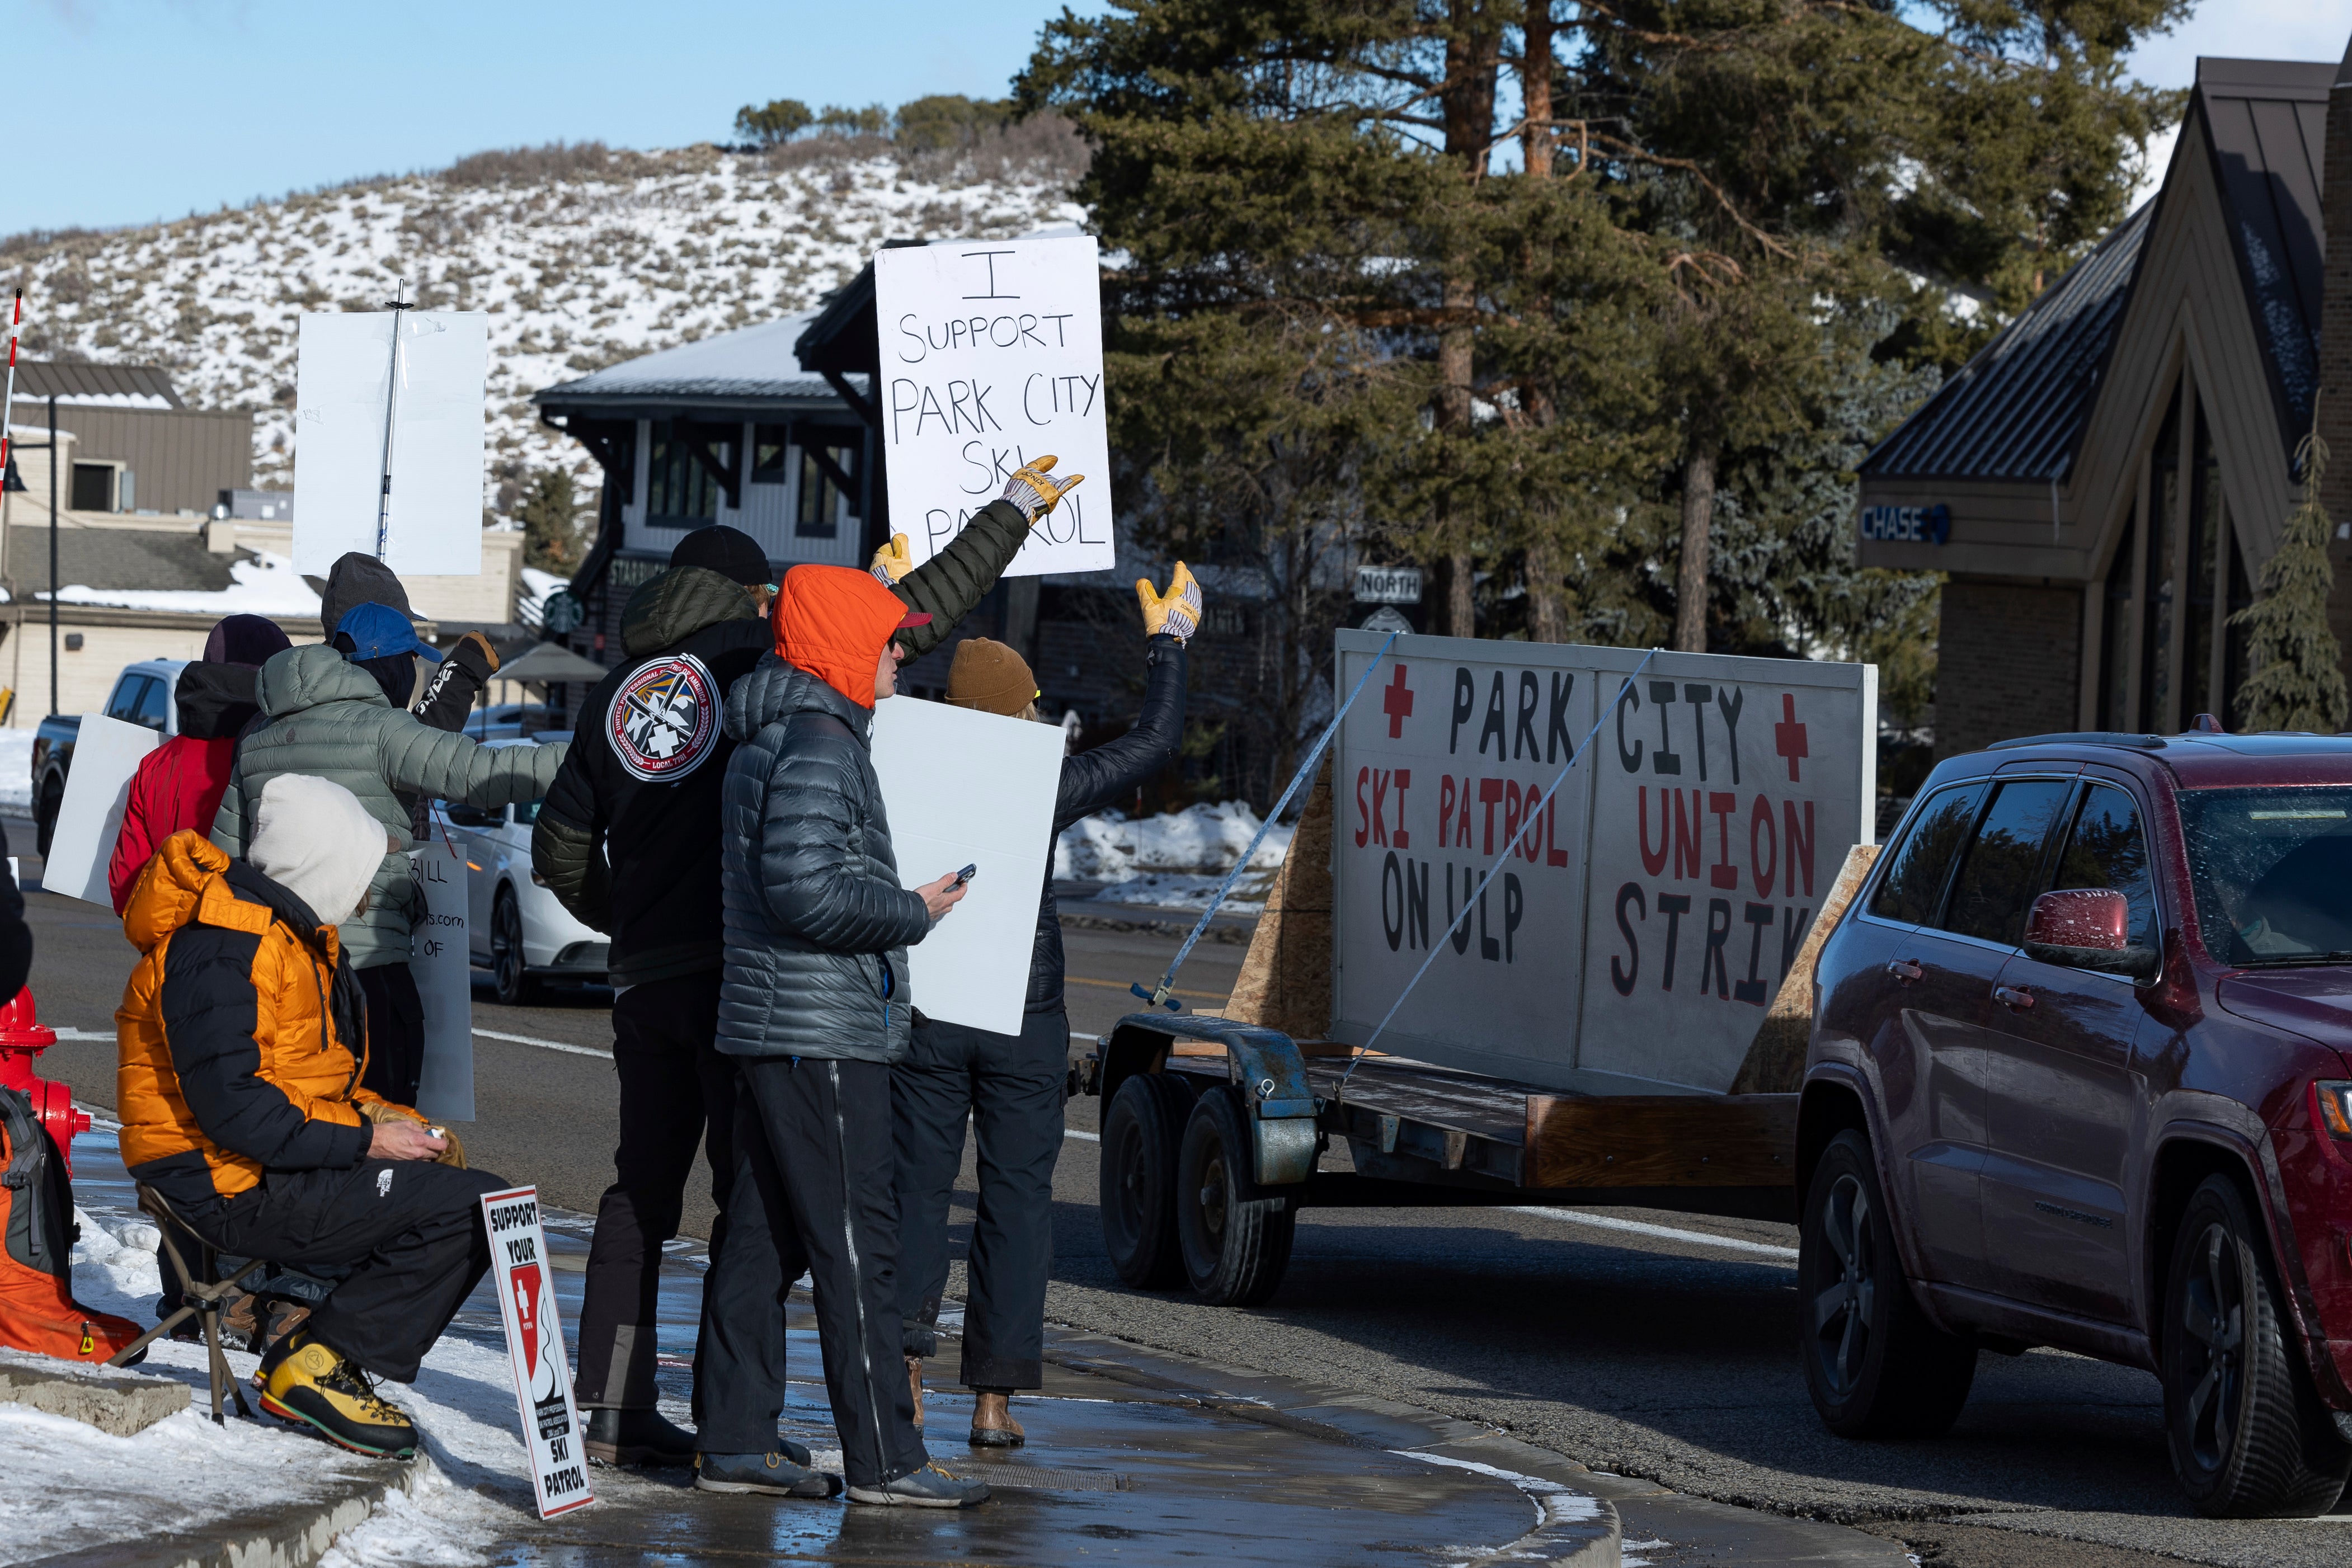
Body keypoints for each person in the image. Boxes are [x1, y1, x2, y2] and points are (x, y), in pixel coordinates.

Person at [532, 468, 1070, 1467]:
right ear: (748, 597)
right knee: (753, 1205)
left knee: (638, 1191)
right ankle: (737, 1422)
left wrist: (632, 924)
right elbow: (913, 612)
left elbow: (557, 849)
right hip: (739, 974)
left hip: (645, 983)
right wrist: (1009, 515)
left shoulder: (615, 696)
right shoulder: (752, 654)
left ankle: (610, 1404)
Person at [692, 563, 983, 1506]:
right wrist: (911, 909)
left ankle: (735, 1438)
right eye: (888, 637)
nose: (901, 652)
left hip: (772, 1022)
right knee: (857, 1242)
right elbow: (803, 887)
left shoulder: (776, 727)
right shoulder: (821, 739)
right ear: (843, 647)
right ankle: (885, 1458)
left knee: (762, 1236)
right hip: (818, 1028)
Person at [896, 564, 1202, 1447]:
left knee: (915, 1190)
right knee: (1019, 1199)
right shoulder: (1041, 780)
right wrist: (1169, 645)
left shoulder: (906, 761)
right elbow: (1154, 742)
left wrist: (884, 605)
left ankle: (904, 1372)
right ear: (1019, 707)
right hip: (1025, 1014)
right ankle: (994, 1399)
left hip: (929, 1006)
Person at [117, 775, 509, 1459]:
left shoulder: (285, 938)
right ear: (324, 864)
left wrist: (388, 1121)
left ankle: (323, 1354)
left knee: (462, 1188)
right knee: (473, 1207)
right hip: (221, 1182)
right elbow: (237, 1110)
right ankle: (318, 1361)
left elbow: (299, 1086)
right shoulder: (226, 947)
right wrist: (368, 1140)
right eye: (360, 869)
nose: (366, 892)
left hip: (253, 1165)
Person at [211, 626, 565, 1106]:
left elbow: (227, 862)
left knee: (300, 1114)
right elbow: (480, 773)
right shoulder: (382, 730)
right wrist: (590, 757)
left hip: (281, 967)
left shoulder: (256, 739)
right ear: (388, 665)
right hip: (371, 964)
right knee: (384, 1116)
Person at [108, 615, 293, 915]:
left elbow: (125, 889)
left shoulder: (155, 766)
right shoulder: (280, 757)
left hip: (169, 939)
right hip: (256, 937)